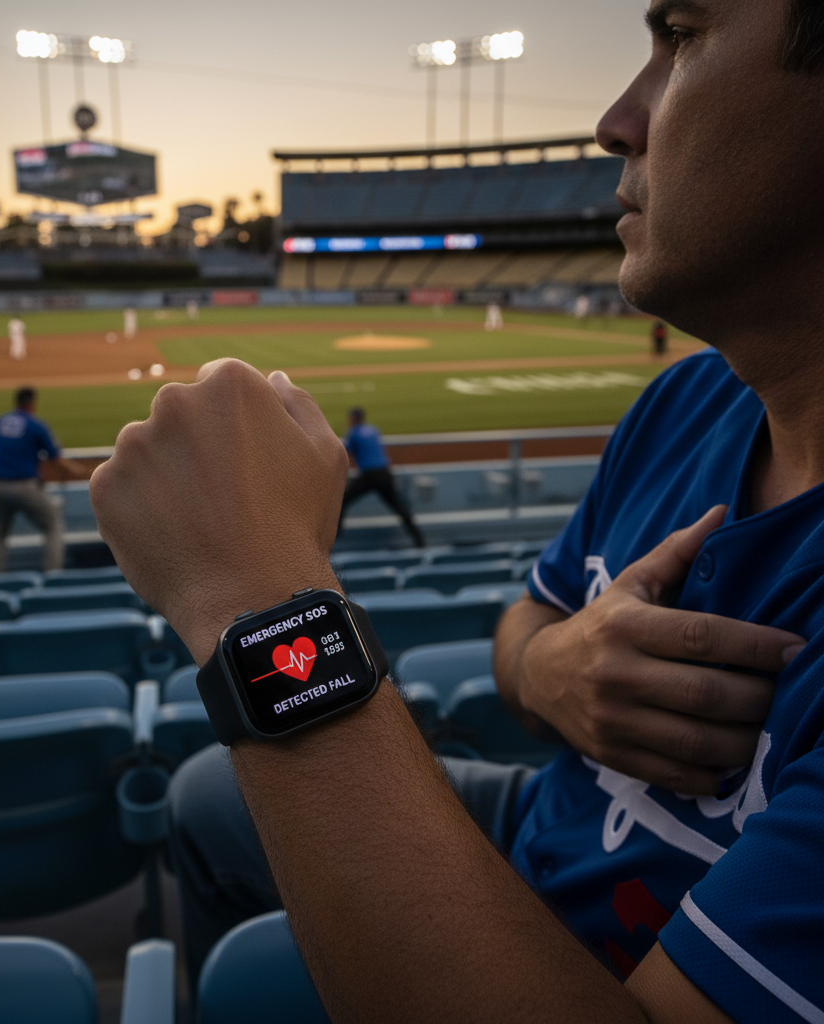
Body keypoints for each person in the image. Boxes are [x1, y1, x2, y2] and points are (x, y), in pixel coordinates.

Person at [90, 2, 824, 1020]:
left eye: (683, 36)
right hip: (549, 818)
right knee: (209, 793)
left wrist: (256, 597)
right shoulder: (682, 401)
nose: (615, 117)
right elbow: (525, 625)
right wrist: (546, 668)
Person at [0, 387, 87, 573]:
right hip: (23, 486)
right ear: (32, 403)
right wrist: (80, 471)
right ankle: (52, 576)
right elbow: (56, 459)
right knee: (53, 527)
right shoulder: (35, 425)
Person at [339, 407, 425, 548]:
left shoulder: (353, 433)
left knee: (342, 501)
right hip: (385, 474)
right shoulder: (373, 430)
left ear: (353, 419)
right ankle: (419, 540)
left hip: (369, 475)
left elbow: (343, 451)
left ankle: (335, 538)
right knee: (399, 507)